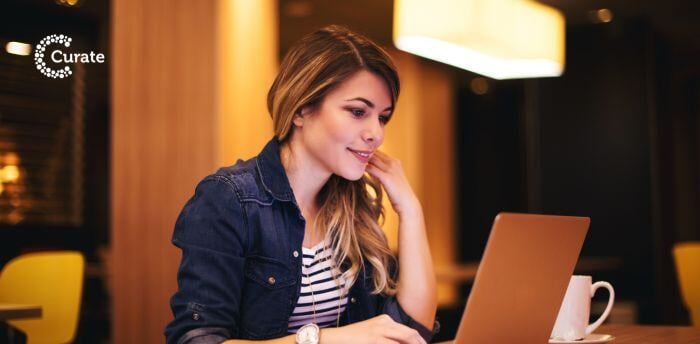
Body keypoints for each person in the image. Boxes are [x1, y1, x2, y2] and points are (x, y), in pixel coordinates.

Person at [164, 25, 437, 344]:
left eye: (383, 117)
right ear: (302, 108)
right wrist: (325, 340)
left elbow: (413, 329)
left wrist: (410, 208)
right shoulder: (230, 198)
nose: (376, 133)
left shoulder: (353, 205)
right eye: (358, 111)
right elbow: (196, 339)